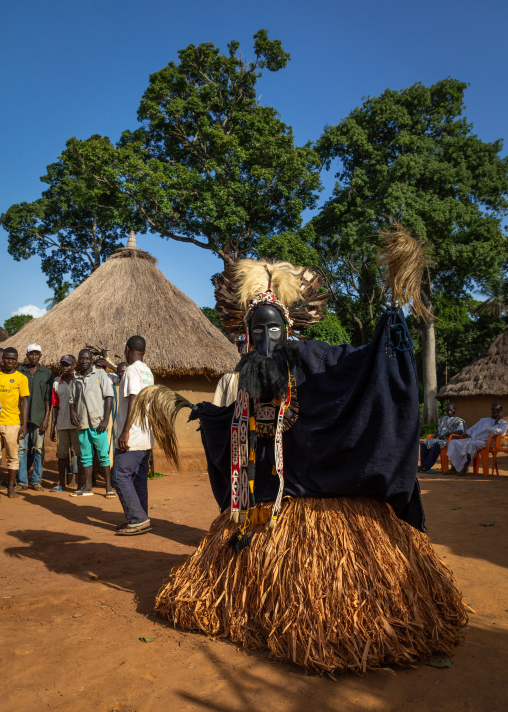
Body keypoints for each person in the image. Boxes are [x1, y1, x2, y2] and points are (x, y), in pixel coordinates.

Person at [132, 257, 466, 674]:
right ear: (246, 334)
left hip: (325, 504)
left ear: (288, 329)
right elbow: (240, 419)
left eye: (274, 329)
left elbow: (355, 368)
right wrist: (206, 415)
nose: (266, 338)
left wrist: (388, 334)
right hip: (268, 500)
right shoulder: (249, 370)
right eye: (257, 331)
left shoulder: (313, 357)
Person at [112, 337, 154, 535]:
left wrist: (126, 430)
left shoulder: (131, 370)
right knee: (138, 479)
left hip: (134, 435)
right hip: (145, 435)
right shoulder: (147, 371)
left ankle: (137, 518)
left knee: (119, 475)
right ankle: (140, 516)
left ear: (127, 349)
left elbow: (134, 399)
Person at [69, 349, 115, 497]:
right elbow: (72, 400)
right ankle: (88, 487)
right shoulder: (76, 378)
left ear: (91, 360)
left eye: (87, 359)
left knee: (103, 455)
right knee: (85, 455)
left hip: (98, 423)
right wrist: (73, 412)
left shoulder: (100, 374)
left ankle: (108, 488)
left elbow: (109, 397)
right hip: (82, 424)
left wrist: (105, 420)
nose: (84, 361)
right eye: (81, 358)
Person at [16, 344, 54, 491]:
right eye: (31, 354)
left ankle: (37, 481)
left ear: (40, 355)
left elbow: (48, 398)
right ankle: (22, 482)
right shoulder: (20, 372)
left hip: (39, 418)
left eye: (36, 354)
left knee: (38, 449)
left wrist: (46, 418)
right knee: (21, 449)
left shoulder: (47, 373)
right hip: (21, 419)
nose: (34, 356)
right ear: (27, 355)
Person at [446, 402, 507, 475]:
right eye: (493, 409)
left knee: (471, 444)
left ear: (501, 411)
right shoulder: (484, 420)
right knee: (454, 442)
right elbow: (473, 428)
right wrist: (467, 433)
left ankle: (464, 468)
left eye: (497, 410)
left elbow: (500, 432)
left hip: (486, 442)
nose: (494, 411)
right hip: (473, 439)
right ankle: (453, 468)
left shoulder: (503, 423)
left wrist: (496, 423)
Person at [0, 347, 29, 498]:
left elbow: (24, 401)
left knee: (12, 457)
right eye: (7, 358)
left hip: (12, 423)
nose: (9, 361)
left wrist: (23, 425)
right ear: (2, 358)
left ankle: (11, 488)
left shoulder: (21, 378)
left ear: (17, 360)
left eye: (13, 359)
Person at [50, 355, 81, 491]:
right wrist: (52, 426)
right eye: (62, 364)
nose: (64, 367)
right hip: (62, 424)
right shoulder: (56, 383)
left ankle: (77, 481)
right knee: (61, 455)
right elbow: (55, 406)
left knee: (77, 454)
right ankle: (62, 482)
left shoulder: (80, 380)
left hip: (77, 425)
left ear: (74, 365)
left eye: (67, 364)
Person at [419, 402, 465, 472]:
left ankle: (425, 466)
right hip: (439, 438)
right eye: (447, 410)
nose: (448, 412)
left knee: (436, 445)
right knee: (423, 444)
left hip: (448, 439)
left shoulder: (458, 421)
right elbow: (439, 430)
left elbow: (460, 431)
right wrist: (437, 434)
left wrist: (446, 435)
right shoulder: (443, 419)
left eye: (450, 410)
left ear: (454, 409)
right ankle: (424, 466)